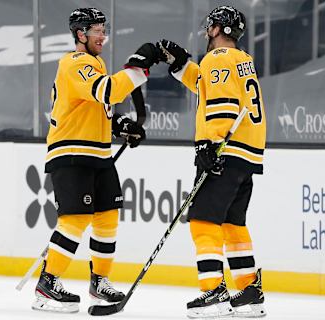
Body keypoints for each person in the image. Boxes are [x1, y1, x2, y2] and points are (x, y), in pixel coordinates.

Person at [32, 7, 161, 313]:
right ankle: (48, 283)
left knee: (107, 216)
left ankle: (99, 282)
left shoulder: (96, 63)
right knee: (76, 219)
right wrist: (138, 67)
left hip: (97, 152)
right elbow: (110, 91)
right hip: (72, 152)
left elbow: (94, 106)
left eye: (105, 30)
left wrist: (120, 126)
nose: (103, 36)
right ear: (80, 34)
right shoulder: (75, 62)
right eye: (97, 31)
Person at [157, 5, 267, 318]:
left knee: (204, 221)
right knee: (233, 224)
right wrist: (181, 65)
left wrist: (209, 143)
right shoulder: (241, 60)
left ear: (219, 29)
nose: (208, 32)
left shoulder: (217, 58)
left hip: (224, 151)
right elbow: (210, 87)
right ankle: (249, 292)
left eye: (211, 27)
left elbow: (222, 102)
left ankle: (214, 292)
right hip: (245, 155)